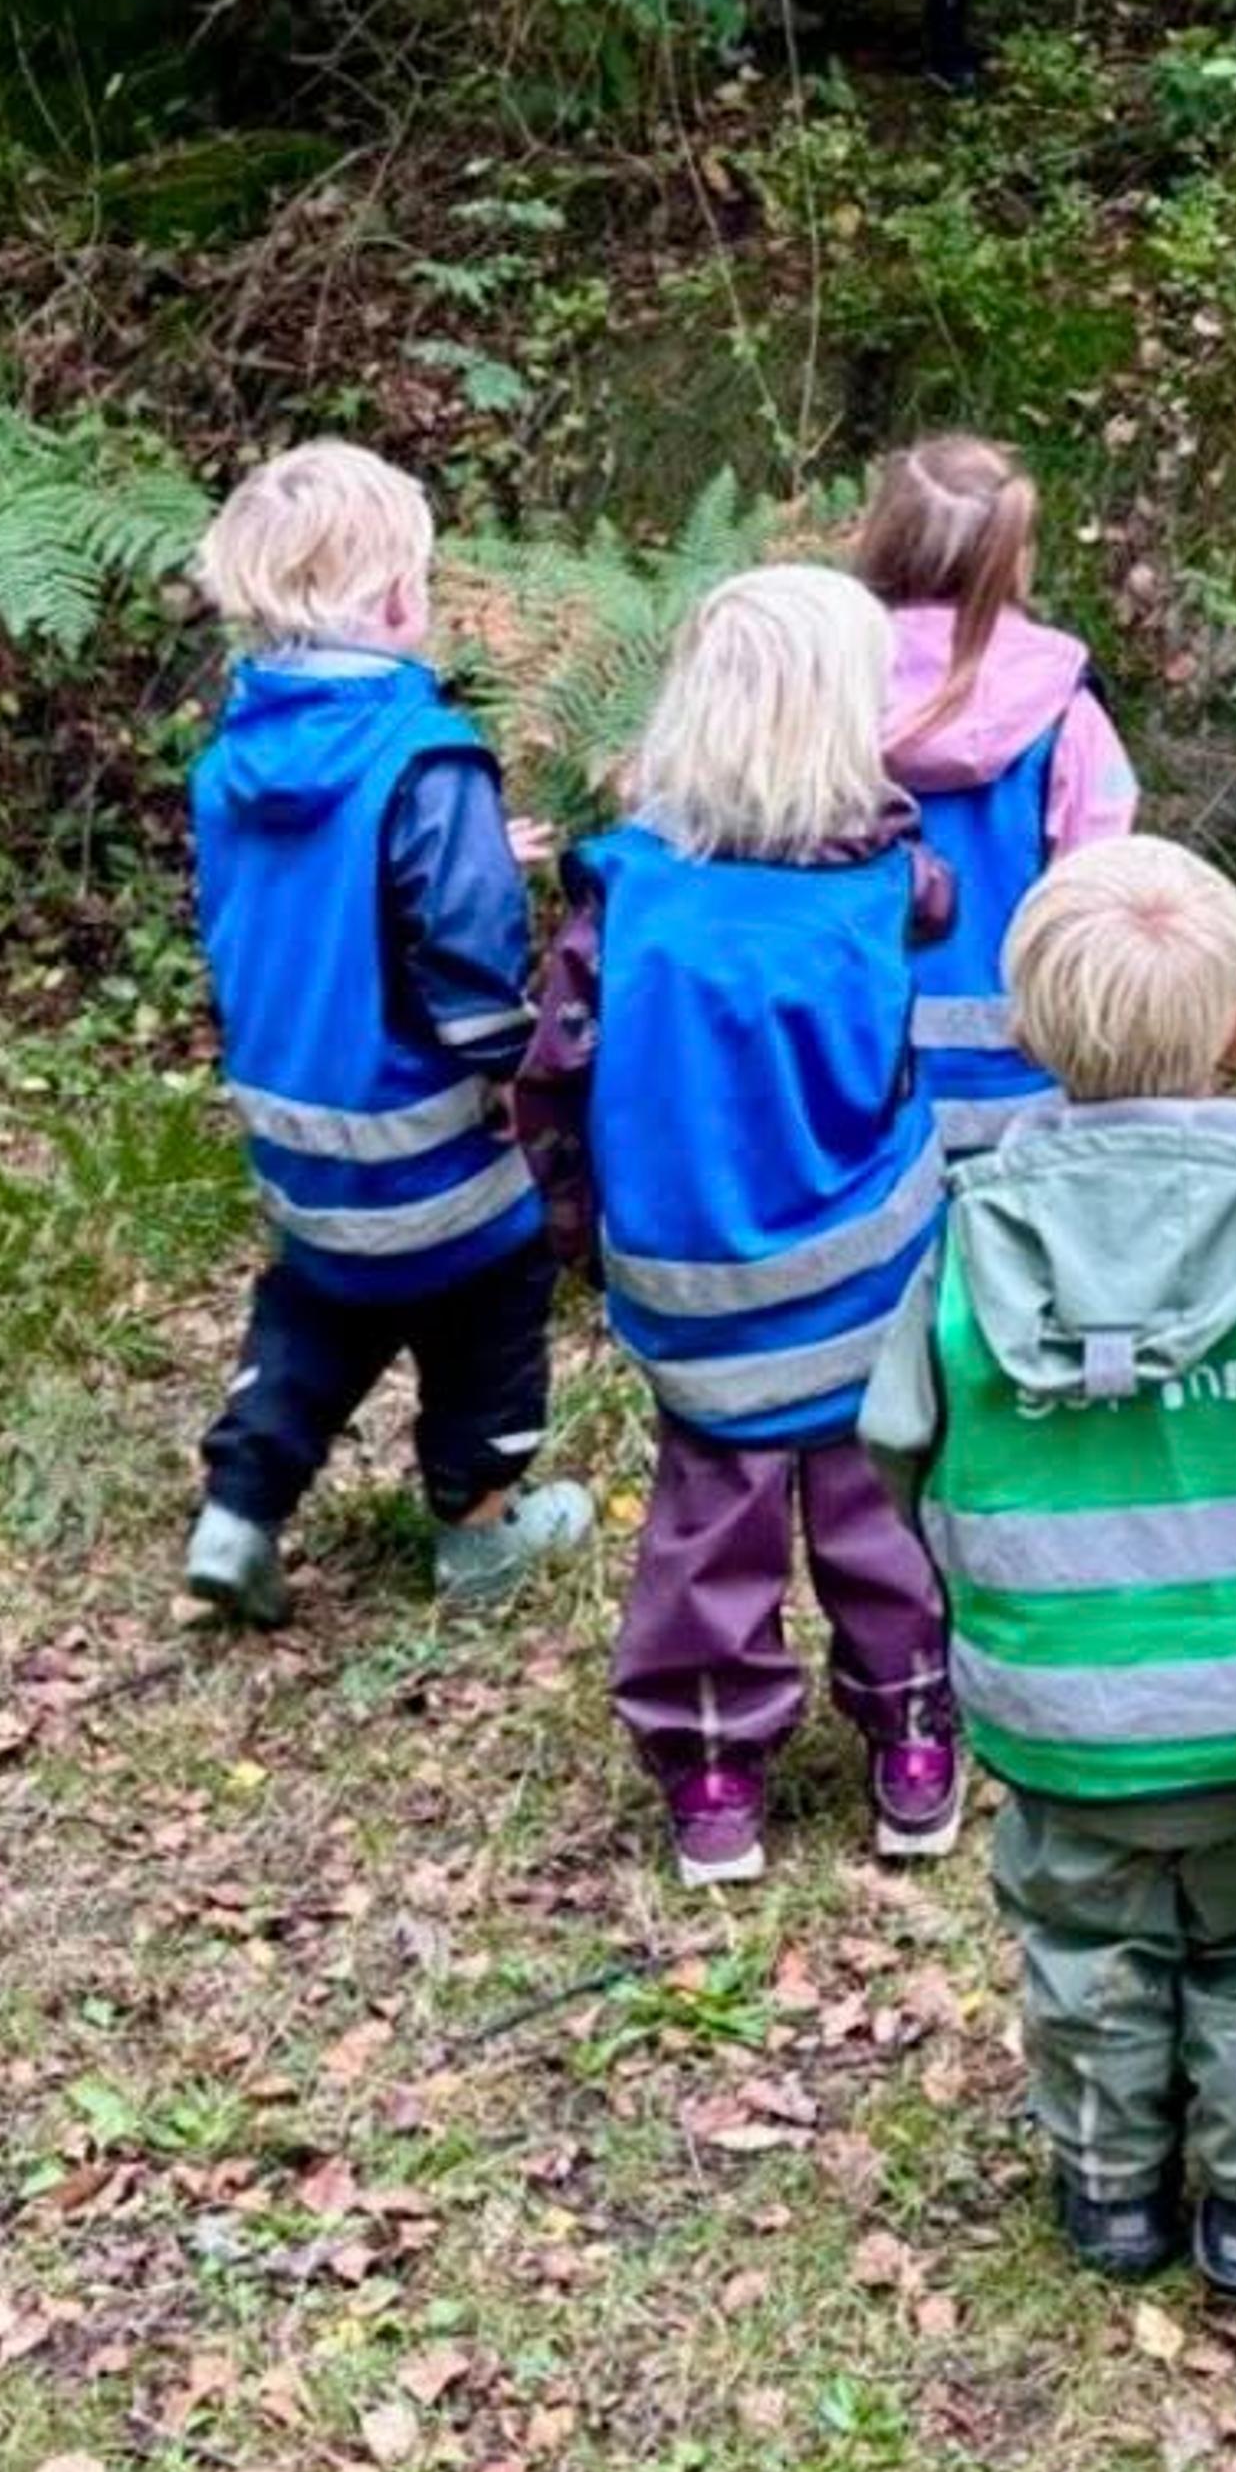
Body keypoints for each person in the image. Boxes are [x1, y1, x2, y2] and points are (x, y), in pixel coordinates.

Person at [862, 840, 1236, 2304]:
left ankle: (1111, 2192)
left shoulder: (972, 1236)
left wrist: (985, 1583)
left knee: (1084, 1932)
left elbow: (899, 1446)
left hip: (1055, 1706)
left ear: (1029, 1030)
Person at [527, 564, 965, 1885]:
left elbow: (554, 1072)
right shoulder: (886, 885)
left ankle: (715, 1772)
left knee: (707, 1527)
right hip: (868, 1279)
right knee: (883, 1513)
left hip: (696, 1285)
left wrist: (571, 1226)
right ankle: (913, 1738)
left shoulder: (624, 899)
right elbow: (936, 902)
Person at [178, 443, 592, 1627]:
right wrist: (520, 1072)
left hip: (299, 1140)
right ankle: (480, 1529)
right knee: (488, 1308)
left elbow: (317, 896)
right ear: (401, 598)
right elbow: (465, 968)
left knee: (319, 1305)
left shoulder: (236, 759)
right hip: (434, 1149)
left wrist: (472, 847)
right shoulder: (427, 758)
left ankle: (237, 1515)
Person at [853, 434, 1140, 1161]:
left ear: (882, 537)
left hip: (847, 1073)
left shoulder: (828, 695)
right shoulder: (1067, 713)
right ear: (1016, 556)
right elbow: (1098, 907)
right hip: (1019, 1086)